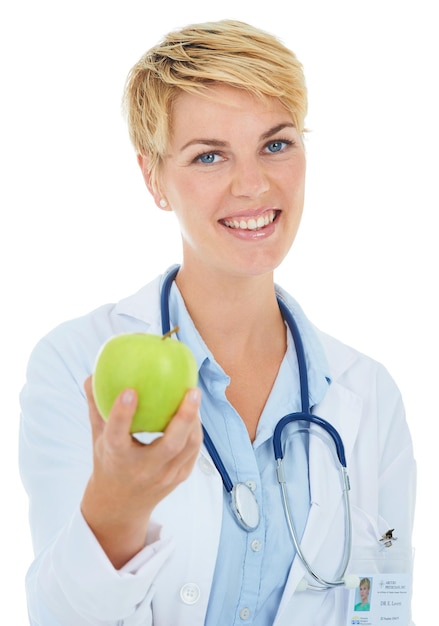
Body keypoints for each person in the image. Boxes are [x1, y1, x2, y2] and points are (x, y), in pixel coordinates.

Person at [19, 19, 416, 626]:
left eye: (276, 144)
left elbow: (387, 605)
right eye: (209, 155)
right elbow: (57, 616)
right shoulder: (78, 364)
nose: (253, 184)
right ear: (153, 176)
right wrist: (117, 505)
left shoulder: (370, 395)